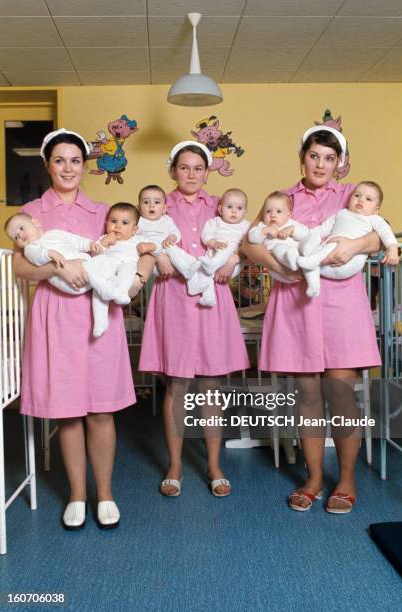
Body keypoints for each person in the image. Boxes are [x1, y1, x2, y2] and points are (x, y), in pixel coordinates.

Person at [242, 125, 382, 514]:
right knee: (307, 396)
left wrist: (355, 244)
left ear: (340, 163)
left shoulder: (352, 195)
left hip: (343, 307)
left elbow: (378, 235)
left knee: (340, 395)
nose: (321, 164)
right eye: (314, 155)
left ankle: (348, 479)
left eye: (330, 158)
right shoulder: (282, 198)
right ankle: (315, 477)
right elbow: (250, 241)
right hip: (296, 306)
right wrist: (276, 267)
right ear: (302, 156)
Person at [13, 128, 136, 530]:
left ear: (86, 166)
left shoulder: (102, 210)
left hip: (97, 315)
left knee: (101, 409)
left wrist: (135, 278)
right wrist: (59, 268)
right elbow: (19, 267)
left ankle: (105, 494)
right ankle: (77, 496)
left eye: (76, 160)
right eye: (60, 160)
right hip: (55, 315)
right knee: (67, 412)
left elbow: (130, 248)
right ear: (47, 164)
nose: (68, 167)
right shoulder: (31, 212)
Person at [138, 140, 250, 497]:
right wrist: (157, 258)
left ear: (207, 171)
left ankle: (214, 465)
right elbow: (134, 237)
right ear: (173, 170)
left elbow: (242, 239)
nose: (191, 174)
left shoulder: (219, 205)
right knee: (177, 385)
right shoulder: (158, 204)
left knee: (211, 385)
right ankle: (174, 465)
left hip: (211, 300)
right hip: (172, 299)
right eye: (184, 167)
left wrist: (234, 261)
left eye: (198, 168)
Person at [6, 203, 143, 338]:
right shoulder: (31, 248)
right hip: (69, 283)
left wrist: (89, 244)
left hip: (88, 271)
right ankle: (108, 290)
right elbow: (35, 257)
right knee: (95, 273)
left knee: (103, 262)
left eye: (22, 228)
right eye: (16, 237)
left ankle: (101, 320)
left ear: (35, 222)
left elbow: (74, 240)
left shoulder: (53, 233)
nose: (20, 235)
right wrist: (51, 256)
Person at [296, 181, 399, 297]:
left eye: (368, 199)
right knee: (314, 242)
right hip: (326, 263)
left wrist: (393, 249)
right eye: (357, 195)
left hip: (349, 262)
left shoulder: (374, 219)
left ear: (376, 210)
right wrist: (305, 236)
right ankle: (313, 283)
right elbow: (322, 229)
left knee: (333, 244)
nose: (361, 200)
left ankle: (311, 261)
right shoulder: (341, 213)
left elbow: (387, 233)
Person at [188, 187, 250, 307]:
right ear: (220, 209)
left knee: (226, 250)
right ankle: (208, 297)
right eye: (229, 207)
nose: (234, 211)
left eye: (239, 208)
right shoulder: (215, 222)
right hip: (214, 253)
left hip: (233, 262)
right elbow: (206, 235)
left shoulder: (246, 226)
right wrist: (212, 243)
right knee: (208, 279)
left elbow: (250, 243)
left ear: (245, 212)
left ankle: (211, 267)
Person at [248, 191, 309, 271]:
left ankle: (296, 258)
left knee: (306, 243)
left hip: (298, 257)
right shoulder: (263, 226)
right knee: (279, 249)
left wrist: (292, 229)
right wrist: (264, 231)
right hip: (276, 264)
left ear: (288, 214)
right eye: (268, 211)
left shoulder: (291, 223)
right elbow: (251, 238)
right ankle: (290, 260)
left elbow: (306, 233)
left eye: (278, 211)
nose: (273, 215)